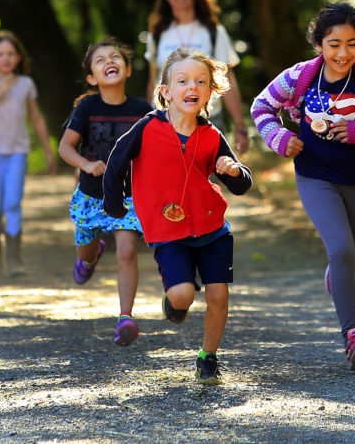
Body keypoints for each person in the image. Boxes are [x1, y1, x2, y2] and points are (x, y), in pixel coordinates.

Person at [250, 2, 355, 370]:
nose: (343, 53)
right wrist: (278, 136)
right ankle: (354, 335)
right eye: (334, 44)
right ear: (320, 44)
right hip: (314, 175)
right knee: (340, 250)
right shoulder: (300, 77)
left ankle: (337, 276)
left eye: (352, 44)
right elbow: (261, 107)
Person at [104, 48, 252, 385]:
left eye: (201, 81)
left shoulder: (211, 136)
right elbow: (116, 163)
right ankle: (175, 299)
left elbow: (239, 183)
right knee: (182, 295)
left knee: (218, 295)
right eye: (182, 80)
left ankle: (208, 357)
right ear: (166, 92)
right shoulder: (146, 129)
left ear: (209, 93)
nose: (192, 87)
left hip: (213, 228)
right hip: (168, 230)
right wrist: (114, 204)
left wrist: (234, 171)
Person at [57, 37, 150, 346]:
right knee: (85, 249)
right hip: (91, 195)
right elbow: (65, 148)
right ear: (91, 78)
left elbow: (154, 150)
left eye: (115, 57)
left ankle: (125, 317)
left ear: (126, 70)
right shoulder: (87, 106)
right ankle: (89, 257)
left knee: (126, 251)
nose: (109, 61)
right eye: (100, 60)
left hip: (127, 196)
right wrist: (86, 163)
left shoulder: (142, 110)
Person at [0, 30, 56, 277]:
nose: (6, 58)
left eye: (10, 53)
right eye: (0, 54)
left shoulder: (26, 85)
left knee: (13, 203)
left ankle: (15, 259)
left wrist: (50, 152)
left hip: (18, 151)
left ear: (18, 58)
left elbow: (37, 119)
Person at [145, 0, 249, 155]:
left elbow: (228, 80)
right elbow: (153, 79)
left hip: (208, 118)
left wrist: (240, 126)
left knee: (209, 182)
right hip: (165, 121)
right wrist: (147, 120)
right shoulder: (157, 34)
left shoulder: (213, 32)